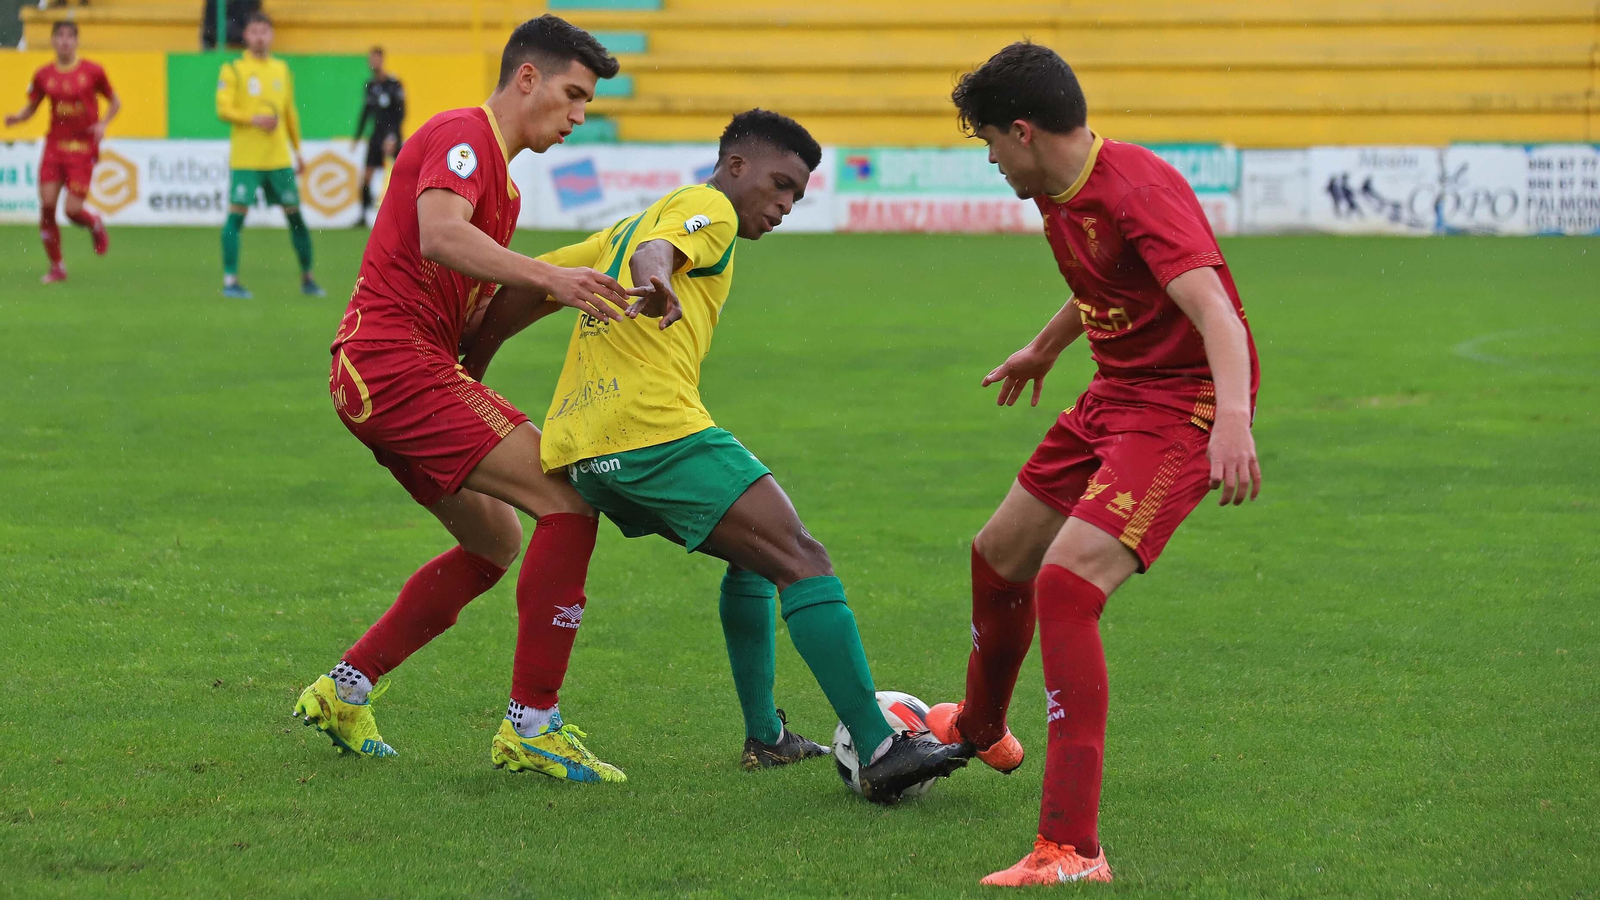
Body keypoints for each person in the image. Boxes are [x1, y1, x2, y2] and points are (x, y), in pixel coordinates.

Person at [459, 109, 974, 803]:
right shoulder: (710, 208)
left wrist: (475, 356)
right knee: (803, 559)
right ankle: (880, 746)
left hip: (586, 452)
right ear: (737, 167)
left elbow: (532, 284)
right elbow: (658, 257)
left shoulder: (622, 228)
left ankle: (767, 735)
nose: (786, 204)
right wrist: (660, 273)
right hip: (652, 433)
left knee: (752, 556)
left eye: (798, 195)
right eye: (780, 184)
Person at [923, 42, 1262, 885]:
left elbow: (1215, 310)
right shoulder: (1064, 189)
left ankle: (1072, 848)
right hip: (1115, 393)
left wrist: (1233, 421)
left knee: (1067, 586)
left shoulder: (1135, 190)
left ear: (1025, 131)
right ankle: (979, 729)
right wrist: (1043, 349)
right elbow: (1101, 283)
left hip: (1179, 406)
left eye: (991, 143)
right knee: (999, 553)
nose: (993, 161)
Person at [294, 16, 648, 785]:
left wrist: (565, 283)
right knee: (566, 502)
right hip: (389, 363)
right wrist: (550, 278)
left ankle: (343, 690)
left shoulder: (508, 192)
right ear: (527, 78)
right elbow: (439, 236)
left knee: (496, 545)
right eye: (573, 94)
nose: (579, 115)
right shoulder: (463, 134)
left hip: (395, 373)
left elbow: (473, 330)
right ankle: (534, 726)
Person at [214, 12, 322, 299]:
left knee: (296, 218)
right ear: (246, 36)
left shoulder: (281, 69)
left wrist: (298, 151)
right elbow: (222, 108)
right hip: (246, 159)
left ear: (271, 36)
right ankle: (230, 280)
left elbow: (289, 113)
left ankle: (308, 278)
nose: (260, 36)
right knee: (235, 219)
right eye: (254, 31)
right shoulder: (233, 69)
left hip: (278, 159)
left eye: (265, 31)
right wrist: (253, 119)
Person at [4, 21, 116, 285]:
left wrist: (103, 124)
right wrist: (17, 118)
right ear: (53, 41)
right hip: (55, 146)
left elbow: (116, 101)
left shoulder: (93, 71)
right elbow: (33, 104)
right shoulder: (43, 75)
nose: (65, 41)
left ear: (77, 41)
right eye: (60, 36)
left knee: (72, 210)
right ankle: (57, 266)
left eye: (70, 36)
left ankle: (94, 224)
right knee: (47, 205)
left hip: (82, 148)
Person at [351, 46, 405, 227]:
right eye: (370, 59)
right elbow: (365, 113)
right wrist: (357, 137)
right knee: (366, 176)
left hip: (392, 137)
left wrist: (392, 136)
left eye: (376, 58)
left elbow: (400, 113)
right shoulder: (370, 85)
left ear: (382, 60)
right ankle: (362, 215)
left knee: (399, 176)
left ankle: (403, 214)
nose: (373, 62)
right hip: (376, 136)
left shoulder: (394, 84)